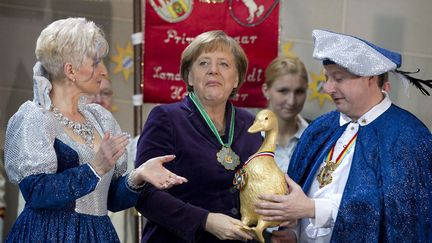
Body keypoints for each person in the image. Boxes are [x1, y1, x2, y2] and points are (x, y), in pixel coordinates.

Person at [4, 17, 187, 242]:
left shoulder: (99, 119)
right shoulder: (36, 117)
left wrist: (138, 176)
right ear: (70, 70)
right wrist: (96, 167)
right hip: (50, 234)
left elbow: (109, 200)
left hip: (99, 233)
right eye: (96, 62)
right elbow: (36, 193)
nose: (103, 72)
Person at [255, 29, 432, 242]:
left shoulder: (407, 137)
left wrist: (312, 208)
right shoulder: (321, 128)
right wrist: (295, 233)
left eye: (338, 78)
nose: (328, 88)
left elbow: (397, 217)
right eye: (326, 78)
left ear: (370, 77)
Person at [135, 30, 262, 242]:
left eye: (224, 64)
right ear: (189, 76)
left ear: (237, 78)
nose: (213, 71)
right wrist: (206, 220)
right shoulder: (166, 118)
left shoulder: (250, 123)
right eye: (203, 63)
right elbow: (145, 194)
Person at [261, 56, 309, 242]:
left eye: (299, 91)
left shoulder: (317, 139)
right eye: (283, 91)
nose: (292, 100)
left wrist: (297, 234)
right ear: (266, 90)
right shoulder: (246, 138)